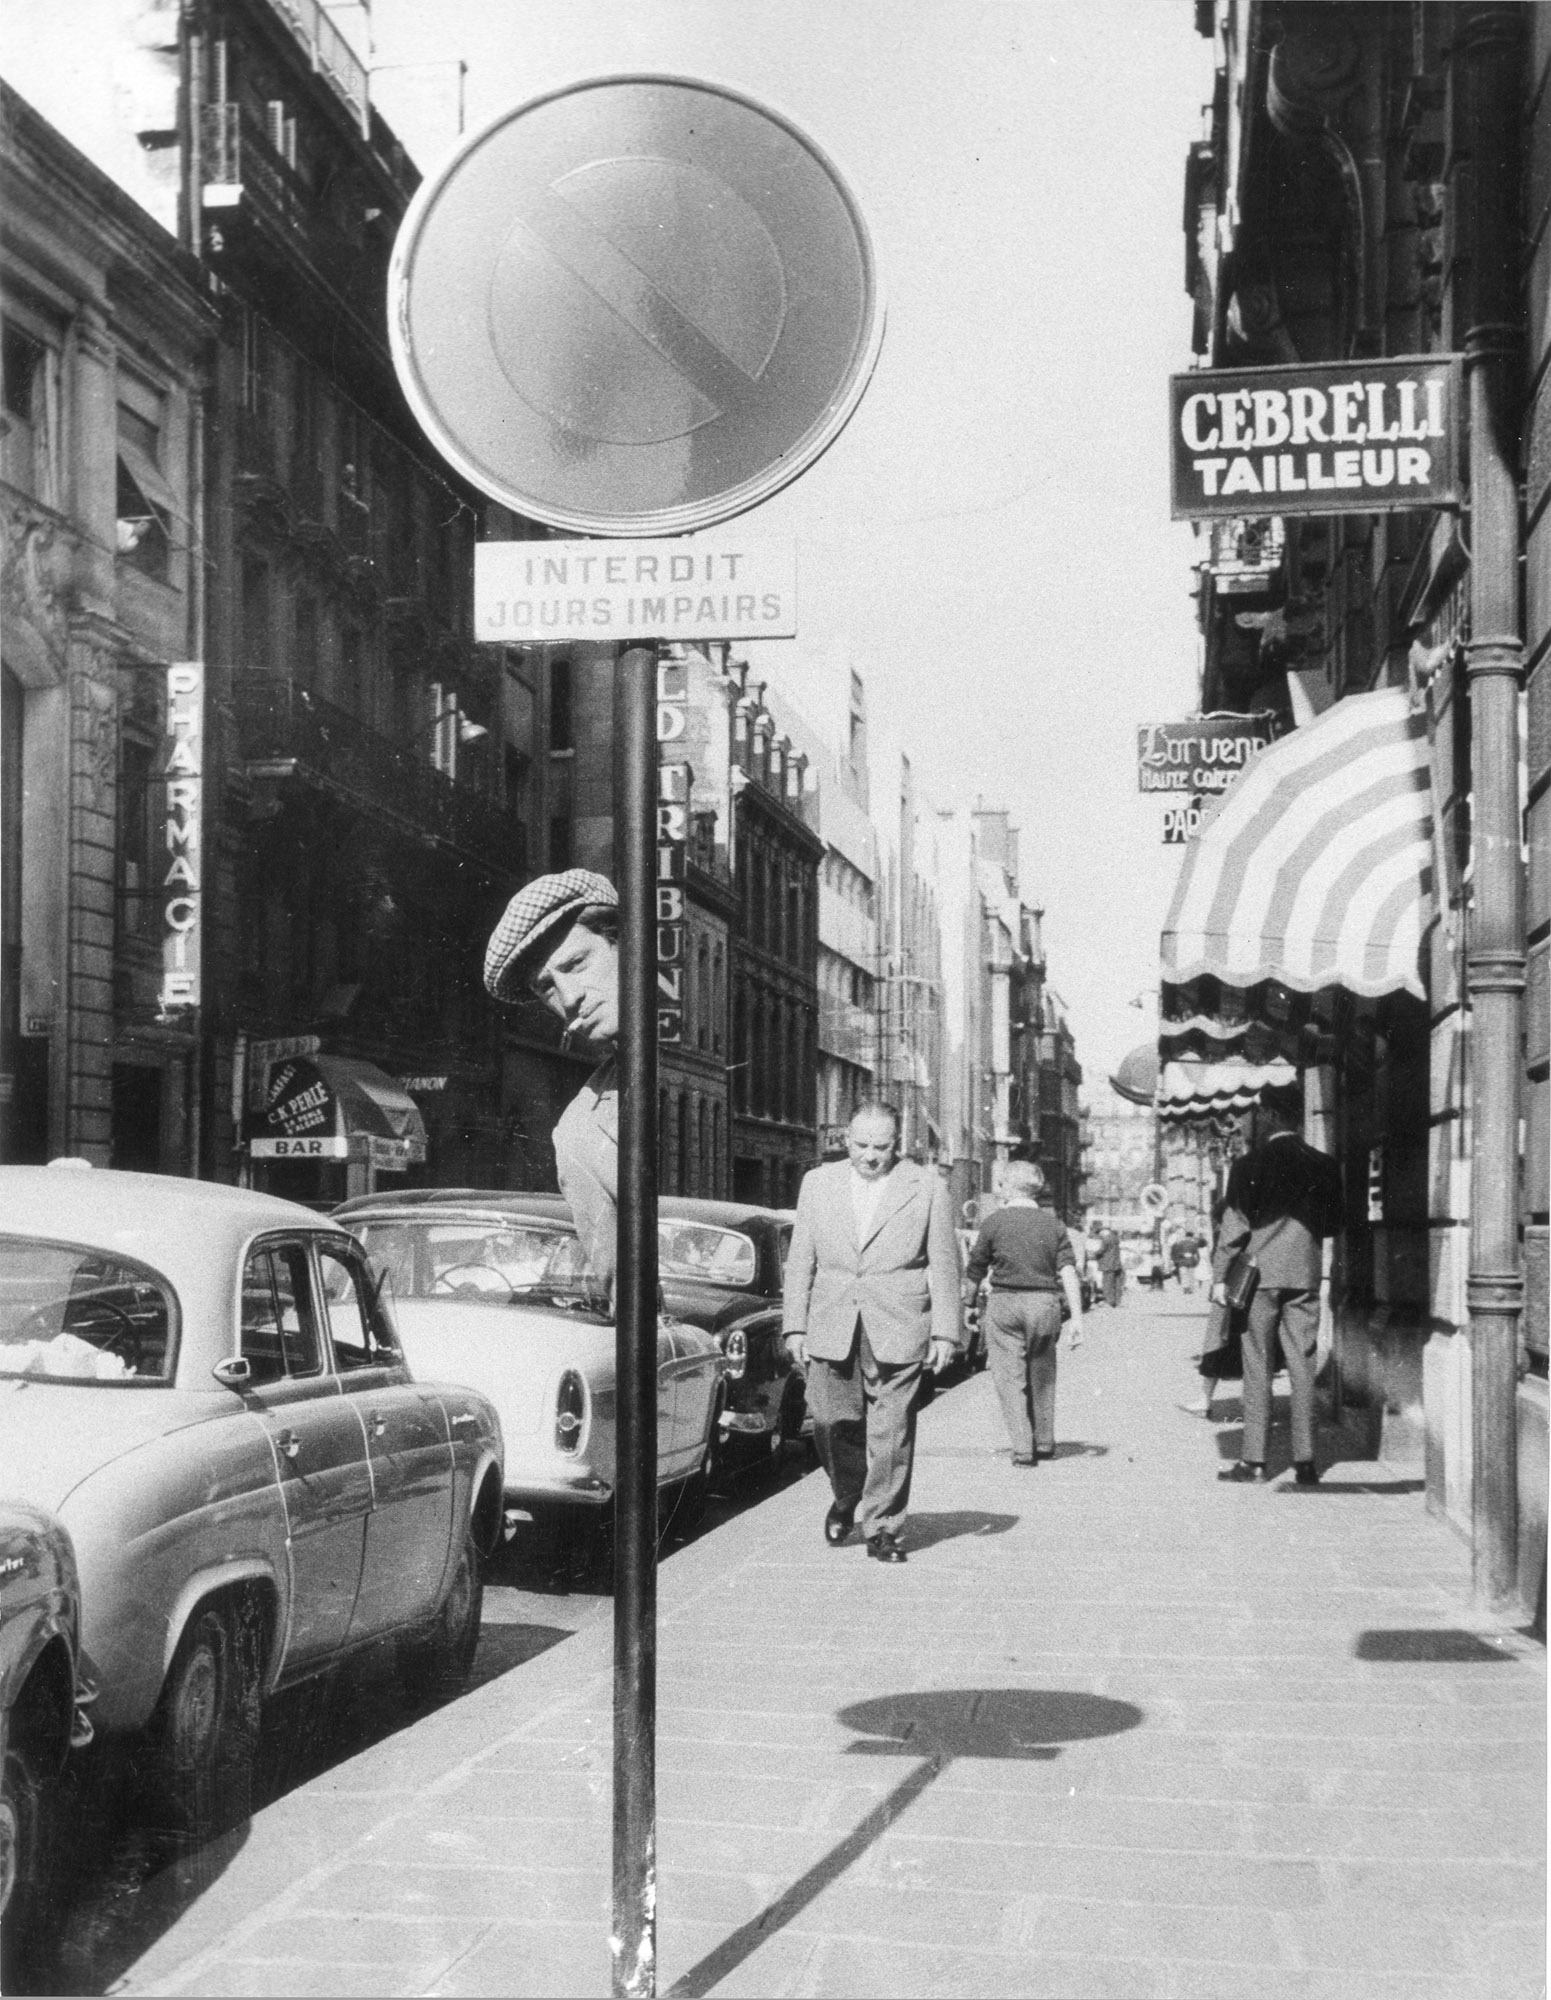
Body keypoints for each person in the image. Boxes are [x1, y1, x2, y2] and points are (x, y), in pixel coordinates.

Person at [782, 1102, 962, 1564]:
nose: (871, 1156)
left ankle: (883, 1527)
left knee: (892, 1430)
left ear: (897, 1144)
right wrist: (794, 1325)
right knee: (828, 1421)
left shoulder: (926, 1186)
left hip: (899, 1321)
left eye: (882, 1147)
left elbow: (944, 1261)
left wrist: (945, 1331)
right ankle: (847, 1496)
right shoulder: (818, 1183)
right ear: (846, 1140)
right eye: (861, 1145)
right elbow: (801, 1257)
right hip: (831, 1318)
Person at [483, 869, 622, 1292]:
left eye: (577, 964)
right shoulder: (580, 1131)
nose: (568, 997)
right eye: (546, 987)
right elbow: (632, 1304)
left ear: (623, 943)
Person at [1213, 1080, 1343, 1486]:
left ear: (1268, 1114)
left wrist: (1220, 1274)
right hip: (1304, 1273)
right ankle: (1306, 1461)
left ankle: (1254, 1461)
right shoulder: (1324, 1164)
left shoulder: (1249, 1165)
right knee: (1303, 1365)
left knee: (1258, 1365)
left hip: (1258, 1277)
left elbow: (1234, 1227)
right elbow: (1334, 1223)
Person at [963, 1161, 1084, 1465]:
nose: (998, 1190)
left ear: (1008, 1186)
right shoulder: (1053, 1225)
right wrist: (1078, 1318)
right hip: (1044, 1305)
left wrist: (969, 1304)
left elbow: (976, 1267)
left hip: (1004, 1304)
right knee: (1043, 1374)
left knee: (1009, 1379)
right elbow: (1068, 1270)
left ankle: (1022, 1448)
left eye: (1000, 1184)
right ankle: (1044, 1441)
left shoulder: (994, 1222)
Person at [1097, 1225, 1124, 1308]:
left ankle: (1108, 1302)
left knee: (1107, 1284)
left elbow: (1101, 1250)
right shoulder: (1115, 1238)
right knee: (1117, 1284)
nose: (1099, 1235)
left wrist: (1094, 1254)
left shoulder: (1105, 1239)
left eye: (1100, 1233)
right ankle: (1118, 1302)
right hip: (1117, 1264)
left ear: (1103, 1232)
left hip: (1108, 1265)